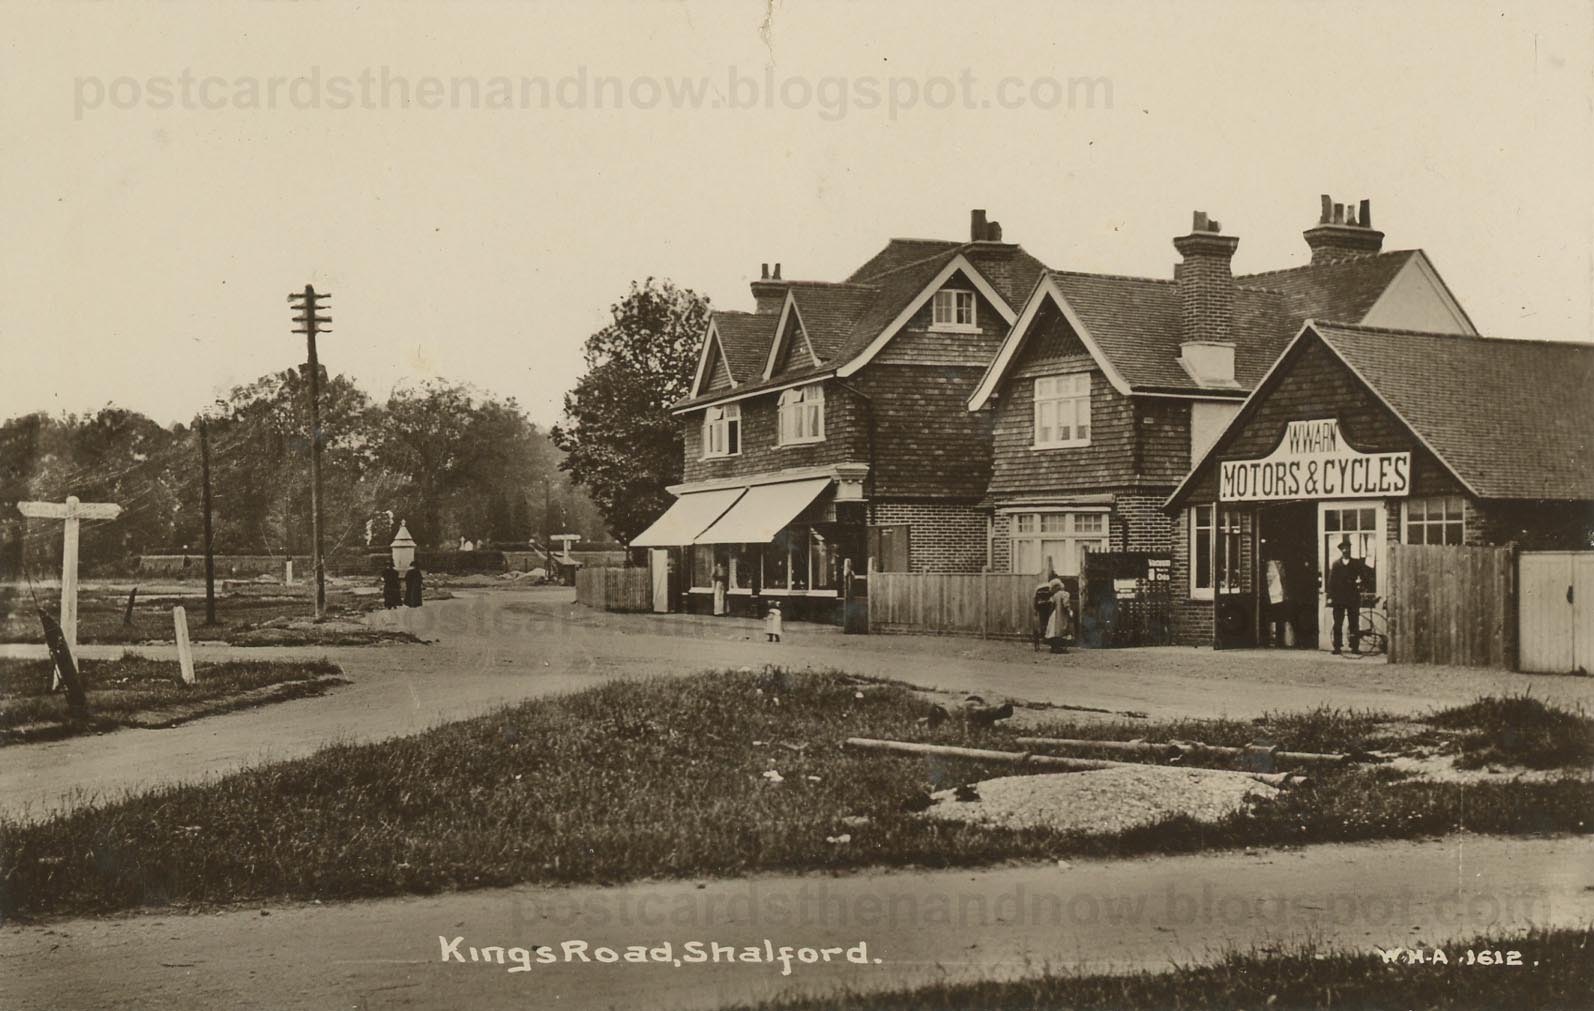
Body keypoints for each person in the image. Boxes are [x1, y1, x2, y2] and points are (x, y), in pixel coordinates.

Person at [1327, 536, 1366, 655]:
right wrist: (1330, 596)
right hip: (1339, 598)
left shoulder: (1356, 563)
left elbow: (1364, 577)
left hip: (1352, 597)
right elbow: (1331, 582)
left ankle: (1354, 647)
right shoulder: (1336, 564)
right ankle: (1337, 647)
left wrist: (1361, 584)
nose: (1345, 551)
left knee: (1354, 623)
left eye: (1347, 549)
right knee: (1338, 623)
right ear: (1341, 551)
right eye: (1343, 549)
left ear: (1350, 550)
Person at [1045, 578, 1072, 654]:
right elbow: (1066, 604)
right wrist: (1069, 611)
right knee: (1061, 630)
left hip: (1055, 614)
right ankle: (1058, 648)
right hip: (1061, 614)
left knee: (1053, 630)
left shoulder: (1055, 595)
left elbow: (1050, 603)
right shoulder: (1064, 594)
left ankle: (1054, 647)